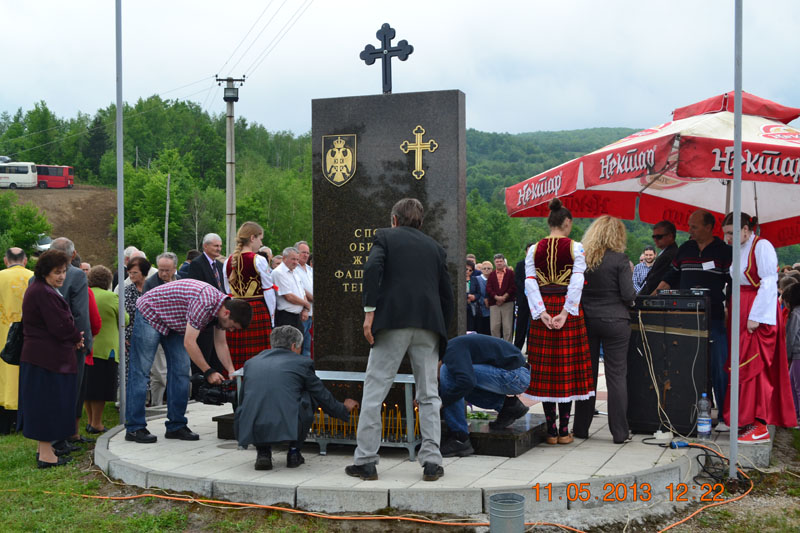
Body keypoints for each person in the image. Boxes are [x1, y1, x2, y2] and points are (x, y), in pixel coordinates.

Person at [346, 198, 454, 482]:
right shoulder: (435, 248)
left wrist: (369, 311)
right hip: (429, 326)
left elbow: (372, 269)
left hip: (392, 322)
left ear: (394, 219)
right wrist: (442, 337)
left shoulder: (385, 237)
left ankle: (366, 460)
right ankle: (432, 462)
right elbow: (447, 295)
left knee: (375, 390)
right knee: (429, 395)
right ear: (421, 221)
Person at [124, 279, 252, 444]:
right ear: (227, 313)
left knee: (181, 372)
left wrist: (231, 370)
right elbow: (189, 343)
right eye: (232, 326)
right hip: (150, 312)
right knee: (141, 371)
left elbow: (221, 343)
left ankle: (176, 426)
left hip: (174, 321)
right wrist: (208, 371)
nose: (231, 330)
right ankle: (134, 427)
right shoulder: (204, 303)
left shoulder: (222, 310)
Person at [235, 326, 358, 470]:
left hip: (252, 423)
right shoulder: (301, 363)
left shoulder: (251, 363)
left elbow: (242, 398)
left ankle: (263, 453)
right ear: (294, 346)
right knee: (309, 395)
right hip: (289, 422)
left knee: (259, 400)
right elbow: (321, 394)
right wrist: (343, 409)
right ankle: (294, 452)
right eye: (300, 347)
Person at [720, 213, 795, 442]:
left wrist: (756, 316)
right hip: (741, 308)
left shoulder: (762, 246)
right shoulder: (740, 247)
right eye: (726, 233)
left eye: (731, 232)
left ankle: (760, 424)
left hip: (756, 310)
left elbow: (769, 282)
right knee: (740, 362)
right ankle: (744, 419)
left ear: (746, 229)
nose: (728, 238)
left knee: (755, 365)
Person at [525, 198, 594, 444]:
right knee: (567, 369)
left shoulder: (534, 249)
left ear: (549, 222)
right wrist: (565, 312)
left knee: (546, 371)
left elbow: (530, 282)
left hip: (543, 308)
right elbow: (577, 282)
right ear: (567, 222)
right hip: (567, 309)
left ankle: (551, 430)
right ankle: (564, 431)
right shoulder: (576, 247)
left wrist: (541, 312)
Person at [657, 210, 731, 420]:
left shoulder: (724, 251)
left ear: (709, 228)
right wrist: (651, 297)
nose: (689, 230)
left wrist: (730, 309)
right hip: (685, 318)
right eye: (689, 225)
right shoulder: (685, 249)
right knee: (687, 365)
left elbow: (733, 283)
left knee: (719, 366)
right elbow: (671, 276)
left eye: (694, 226)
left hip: (714, 317)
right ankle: (688, 412)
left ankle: (725, 415)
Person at [18, 250, 84, 467]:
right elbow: (59, 325)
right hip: (45, 359)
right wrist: (76, 336)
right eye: (57, 272)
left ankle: (44, 450)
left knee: (45, 404)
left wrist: (73, 335)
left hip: (44, 358)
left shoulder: (42, 289)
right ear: (45, 271)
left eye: (64, 271)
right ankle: (46, 456)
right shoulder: (43, 292)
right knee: (47, 405)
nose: (62, 276)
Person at [573, 216, 636, 443]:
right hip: (615, 320)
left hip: (587, 320)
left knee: (586, 375)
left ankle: (581, 428)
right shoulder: (620, 259)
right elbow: (628, 294)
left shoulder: (583, 259)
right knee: (616, 376)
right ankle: (619, 433)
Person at [439, 334, 531, 457]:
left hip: (516, 375)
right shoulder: (453, 348)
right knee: (458, 386)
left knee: (448, 372)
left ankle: (459, 438)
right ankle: (508, 406)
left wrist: (442, 401)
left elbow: (466, 381)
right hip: (517, 374)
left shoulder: (451, 350)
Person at [50, 237, 94, 449]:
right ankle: (65, 436)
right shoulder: (77, 275)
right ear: (73, 255)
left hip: (48, 343)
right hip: (73, 341)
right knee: (73, 389)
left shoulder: (35, 277)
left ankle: (68, 435)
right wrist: (83, 341)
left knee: (54, 390)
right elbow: (80, 313)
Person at [223, 222, 275, 370]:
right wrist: (272, 318)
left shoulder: (227, 261)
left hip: (234, 311)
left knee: (237, 354)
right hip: (256, 311)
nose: (261, 243)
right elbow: (268, 291)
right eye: (260, 239)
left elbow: (228, 292)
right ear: (252, 238)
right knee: (259, 355)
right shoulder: (258, 259)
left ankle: (236, 382)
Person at [85, 266, 127, 434]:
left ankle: (90, 420)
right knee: (100, 389)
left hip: (88, 347)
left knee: (88, 388)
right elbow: (125, 319)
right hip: (107, 349)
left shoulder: (85, 293)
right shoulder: (111, 297)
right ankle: (97, 423)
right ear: (108, 281)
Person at [0, 248, 34, 434]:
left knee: (4, 377)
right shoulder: (34, 277)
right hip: (28, 334)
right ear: (25, 260)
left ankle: (4, 422)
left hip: (4, 334)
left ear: (6, 260)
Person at [186, 233, 227, 375]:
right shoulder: (197, 264)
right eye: (216, 246)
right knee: (204, 352)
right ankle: (202, 384)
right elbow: (195, 289)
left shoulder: (220, 266)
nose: (219, 249)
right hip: (203, 317)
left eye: (220, 246)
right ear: (205, 246)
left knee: (216, 355)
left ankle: (216, 384)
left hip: (218, 316)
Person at [142, 252, 178, 406]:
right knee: (159, 374)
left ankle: (180, 403)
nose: (163, 273)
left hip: (177, 333)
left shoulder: (180, 280)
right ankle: (156, 406)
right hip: (157, 332)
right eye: (161, 269)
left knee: (181, 371)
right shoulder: (150, 283)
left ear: (174, 268)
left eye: (167, 270)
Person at [271, 247, 310, 330]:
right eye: (293, 259)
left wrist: (305, 309)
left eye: (297, 259)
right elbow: (288, 296)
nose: (296, 262)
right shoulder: (278, 273)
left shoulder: (295, 272)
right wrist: (306, 304)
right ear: (284, 258)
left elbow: (302, 292)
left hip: (297, 317)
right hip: (285, 317)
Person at [640, 221, 679, 296]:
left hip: (657, 298)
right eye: (653, 237)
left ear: (670, 236)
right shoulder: (669, 253)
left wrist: (643, 299)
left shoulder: (667, 256)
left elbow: (653, 282)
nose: (655, 239)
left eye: (659, 237)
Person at [486, 253, 516, 342]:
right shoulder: (491, 275)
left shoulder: (510, 273)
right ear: (494, 263)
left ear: (504, 262)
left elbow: (513, 286)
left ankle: (507, 346)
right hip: (494, 303)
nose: (499, 263)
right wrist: (496, 297)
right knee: (494, 327)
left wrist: (504, 297)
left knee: (507, 327)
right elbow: (488, 288)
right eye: (497, 261)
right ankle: (496, 346)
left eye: (500, 261)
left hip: (507, 303)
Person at [783, 283, 800, 425]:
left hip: (797, 354)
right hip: (796, 355)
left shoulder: (795, 314)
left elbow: (791, 335)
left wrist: (786, 355)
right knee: (793, 385)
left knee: (796, 387)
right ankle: (795, 414)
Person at [294, 240, 314, 356]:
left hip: (311, 313)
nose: (306, 255)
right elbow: (301, 289)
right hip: (301, 313)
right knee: (299, 345)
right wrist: (314, 299)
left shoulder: (310, 269)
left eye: (307, 253)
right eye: (303, 252)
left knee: (307, 346)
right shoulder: (294, 269)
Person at [514, 243, 534, 350]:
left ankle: (531, 348)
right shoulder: (520, 265)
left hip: (536, 299)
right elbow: (517, 280)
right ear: (526, 252)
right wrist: (527, 290)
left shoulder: (540, 264)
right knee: (521, 324)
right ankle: (517, 348)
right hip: (523, 298)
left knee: (534, 325)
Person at [475, 262, 492, 335]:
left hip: (491, 309)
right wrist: (483, 301)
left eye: (489, 268)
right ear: (481, 270)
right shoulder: (476, 279)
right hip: (480, 308)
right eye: (484, 268)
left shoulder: (493, 279)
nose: (486, 270)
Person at [466, 260, 479, 331]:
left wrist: (474, 297)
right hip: (461, 306)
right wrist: (467, 296)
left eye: (470, 270)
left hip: (471, 307)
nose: (467, 271)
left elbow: (478, 293)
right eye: (466, 269)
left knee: (471, 327)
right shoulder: (457, 278)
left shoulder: (474, 279)